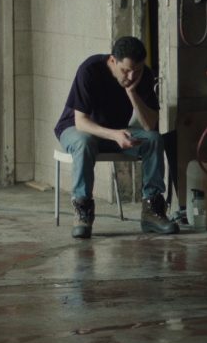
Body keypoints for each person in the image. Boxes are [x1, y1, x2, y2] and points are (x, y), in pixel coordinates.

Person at [54, 36, 179, 238]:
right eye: (125, 70)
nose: (131, 76)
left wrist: (131, 92)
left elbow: (149, 125)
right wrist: (114, 135)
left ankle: (152, 210)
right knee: (84, 142)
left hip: (116, 131)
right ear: (113, 60)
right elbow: (81, 122)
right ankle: (83, 211)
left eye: (136, 70)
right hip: (77, 129)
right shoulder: (90, 69)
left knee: (154, 140)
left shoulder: (143, 75)